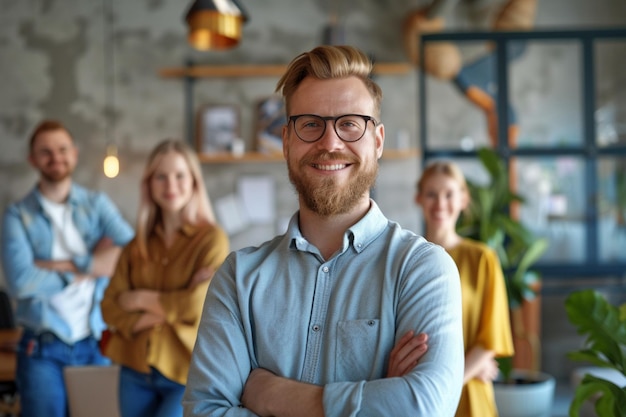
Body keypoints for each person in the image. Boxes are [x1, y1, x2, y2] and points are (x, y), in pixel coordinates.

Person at [183, 45, 464, 417]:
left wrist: (270, 395)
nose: (330, 143)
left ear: (377, 141)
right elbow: (204, 412)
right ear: (286, 142)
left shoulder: (422, 269)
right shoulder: (238, 279)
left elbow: (423, 407)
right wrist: (376, 396)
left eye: (349, 123)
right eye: (311, 124)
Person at [1, 119, 134, 417]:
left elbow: (132, 256)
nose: (55, 157)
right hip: (41, 349)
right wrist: (95, 264)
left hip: (94, 343)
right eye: (45, 151)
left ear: (74, 153)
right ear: (32, 159)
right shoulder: (16, 216)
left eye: (62, 149)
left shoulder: (97, 204)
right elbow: (21, 282)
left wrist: (62, 266)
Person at [101, 139, 229, 417]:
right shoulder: (137, 245)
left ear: (194, 181)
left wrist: (138, 299)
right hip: (134, 369)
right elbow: (109, 307)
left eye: (180, 175)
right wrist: (174, 306)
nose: (170, 185)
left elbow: (199, 306)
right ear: (149, 184)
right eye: (161, 176)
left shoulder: (211, 240)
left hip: (185, 373)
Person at [415, 160, 515, 417]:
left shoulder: (482, 259)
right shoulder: (407, 258)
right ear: (419, 198)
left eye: (449, 194)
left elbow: (489, 341)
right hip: (417, 397)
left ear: (463, 199)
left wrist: (445, 382)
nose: (440, 203)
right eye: (431, 194)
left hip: (468, 395)